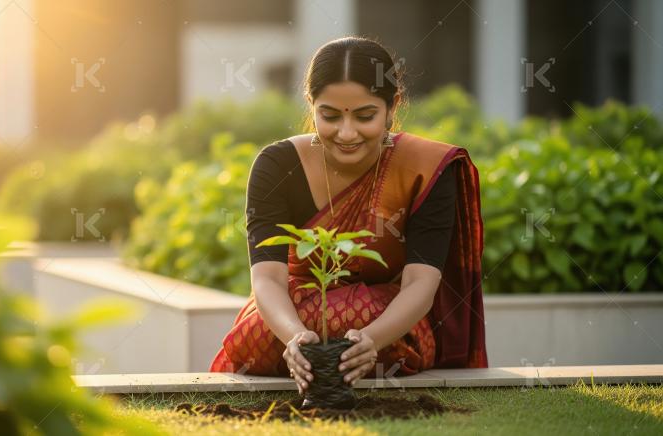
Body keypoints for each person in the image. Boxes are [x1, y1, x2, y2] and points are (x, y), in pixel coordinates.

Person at [209, 36, 487, 395]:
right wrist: (295, 337)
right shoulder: (276, 166)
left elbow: (420, 284)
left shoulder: (425, 168)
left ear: (392, 106)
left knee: (358, 313)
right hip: (290, 320)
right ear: (311, 105)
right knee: (257, 333)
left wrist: (370, 340)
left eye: (365, 116)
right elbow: (267, 280)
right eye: (329, 115)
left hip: (389, 324)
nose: (346, 133)